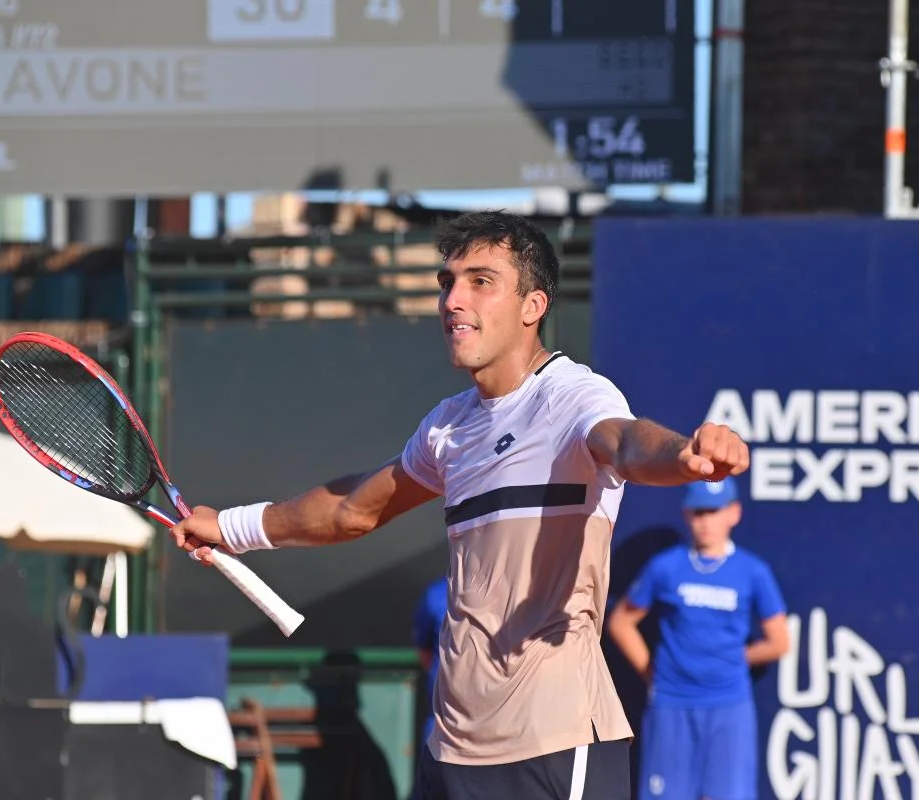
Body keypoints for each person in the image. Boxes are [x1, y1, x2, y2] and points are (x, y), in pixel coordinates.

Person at [170, 210, 750, 800]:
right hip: (451, 750)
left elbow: (625, 443)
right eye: (447, 282)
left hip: (554, 740)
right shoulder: (446, 429)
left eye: (480, 281)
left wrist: (684, 454)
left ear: (533, 306)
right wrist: (230, 527)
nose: (452, 300)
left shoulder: (574, 395)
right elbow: (353, 509)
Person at [606, 476, 789, 800]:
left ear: (733, 513)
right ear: (686, 514)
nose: (705, 521)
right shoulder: (665, 567)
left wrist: (731, 659)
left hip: (729, 705)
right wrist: (652, 671)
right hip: (671, 704)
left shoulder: (753, 572)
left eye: (713, 511)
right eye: (698, 512)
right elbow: (621, 622)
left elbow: (779, 641)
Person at [413, 574, 449, 743]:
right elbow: (424, 652)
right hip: (442, 722)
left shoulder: (511, 590)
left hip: (499, 724)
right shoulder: (436, 594)